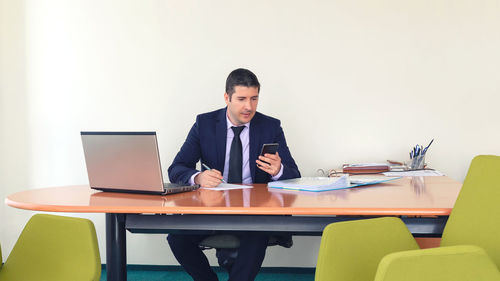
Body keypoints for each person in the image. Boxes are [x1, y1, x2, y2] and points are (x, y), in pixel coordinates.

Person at [167, 68, 300, 281]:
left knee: (256, 236)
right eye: (241, 99)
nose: (249, 106)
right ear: (226, 97)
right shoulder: (205, 124)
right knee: (177, 239)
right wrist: (198, 178)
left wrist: (279, 170)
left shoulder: (270, 126)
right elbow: (177, 168)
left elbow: (294, 174)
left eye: (254, 99)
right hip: (213, 207)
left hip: (255, 211)